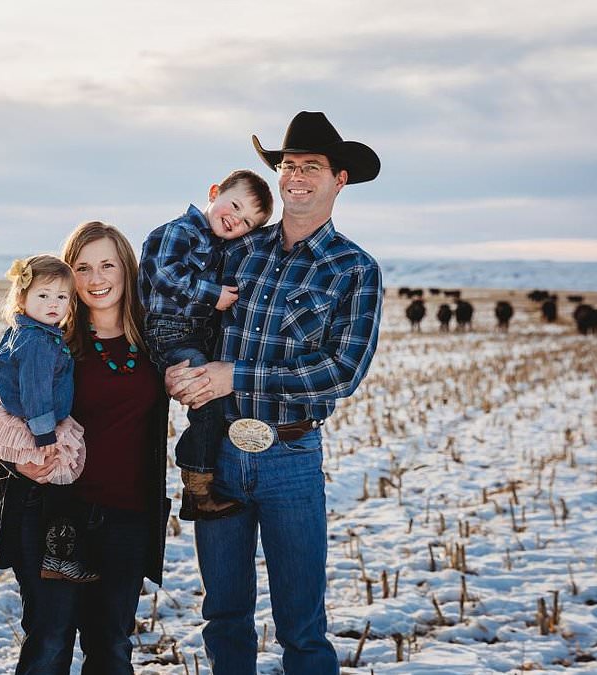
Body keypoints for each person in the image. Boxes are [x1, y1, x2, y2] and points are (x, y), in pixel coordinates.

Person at [165, 111, 384, 675]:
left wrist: (234, 375)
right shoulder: (242, 249)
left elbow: (340, 371)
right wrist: (176, 369)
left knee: (302, 627)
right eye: (289, 165)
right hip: (220, 452)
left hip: (291, 456)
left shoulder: (354, 270)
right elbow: (186, 312)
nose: (297, 176)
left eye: (312, 166)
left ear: (340, 179)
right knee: (225, 615)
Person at [0, 221, 171, 675]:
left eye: (107, 264)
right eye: (83, 267)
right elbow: (2, 407)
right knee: (50, 642)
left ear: (126, 269)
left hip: (129, 514)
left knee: (111, 646)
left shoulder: (153, 341)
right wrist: (20, 461)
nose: (96, 278)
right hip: (56, 510)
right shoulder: (50, 337)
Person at [139, 168, 274, 521]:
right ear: (214, 192)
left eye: (246, 222)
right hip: (168, 332)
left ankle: (201, 480)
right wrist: (211, 294)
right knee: (207, 396)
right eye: (234, 206)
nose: (235, 221)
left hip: (195, 333)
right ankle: (197, 488)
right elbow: (163, 273)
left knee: (221, 391)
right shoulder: (177, 232)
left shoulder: (220, 246)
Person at [0, 254, 97, 582]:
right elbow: (36, 389)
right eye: (43, 295)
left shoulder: (26, 331)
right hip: (37, 422)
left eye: (62, 297)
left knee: (32, 473)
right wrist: (45, 436)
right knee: (59, 488)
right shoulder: (38, 341)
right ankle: (59, 559)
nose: (54, 304)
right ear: (22, 298)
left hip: (27, 418)